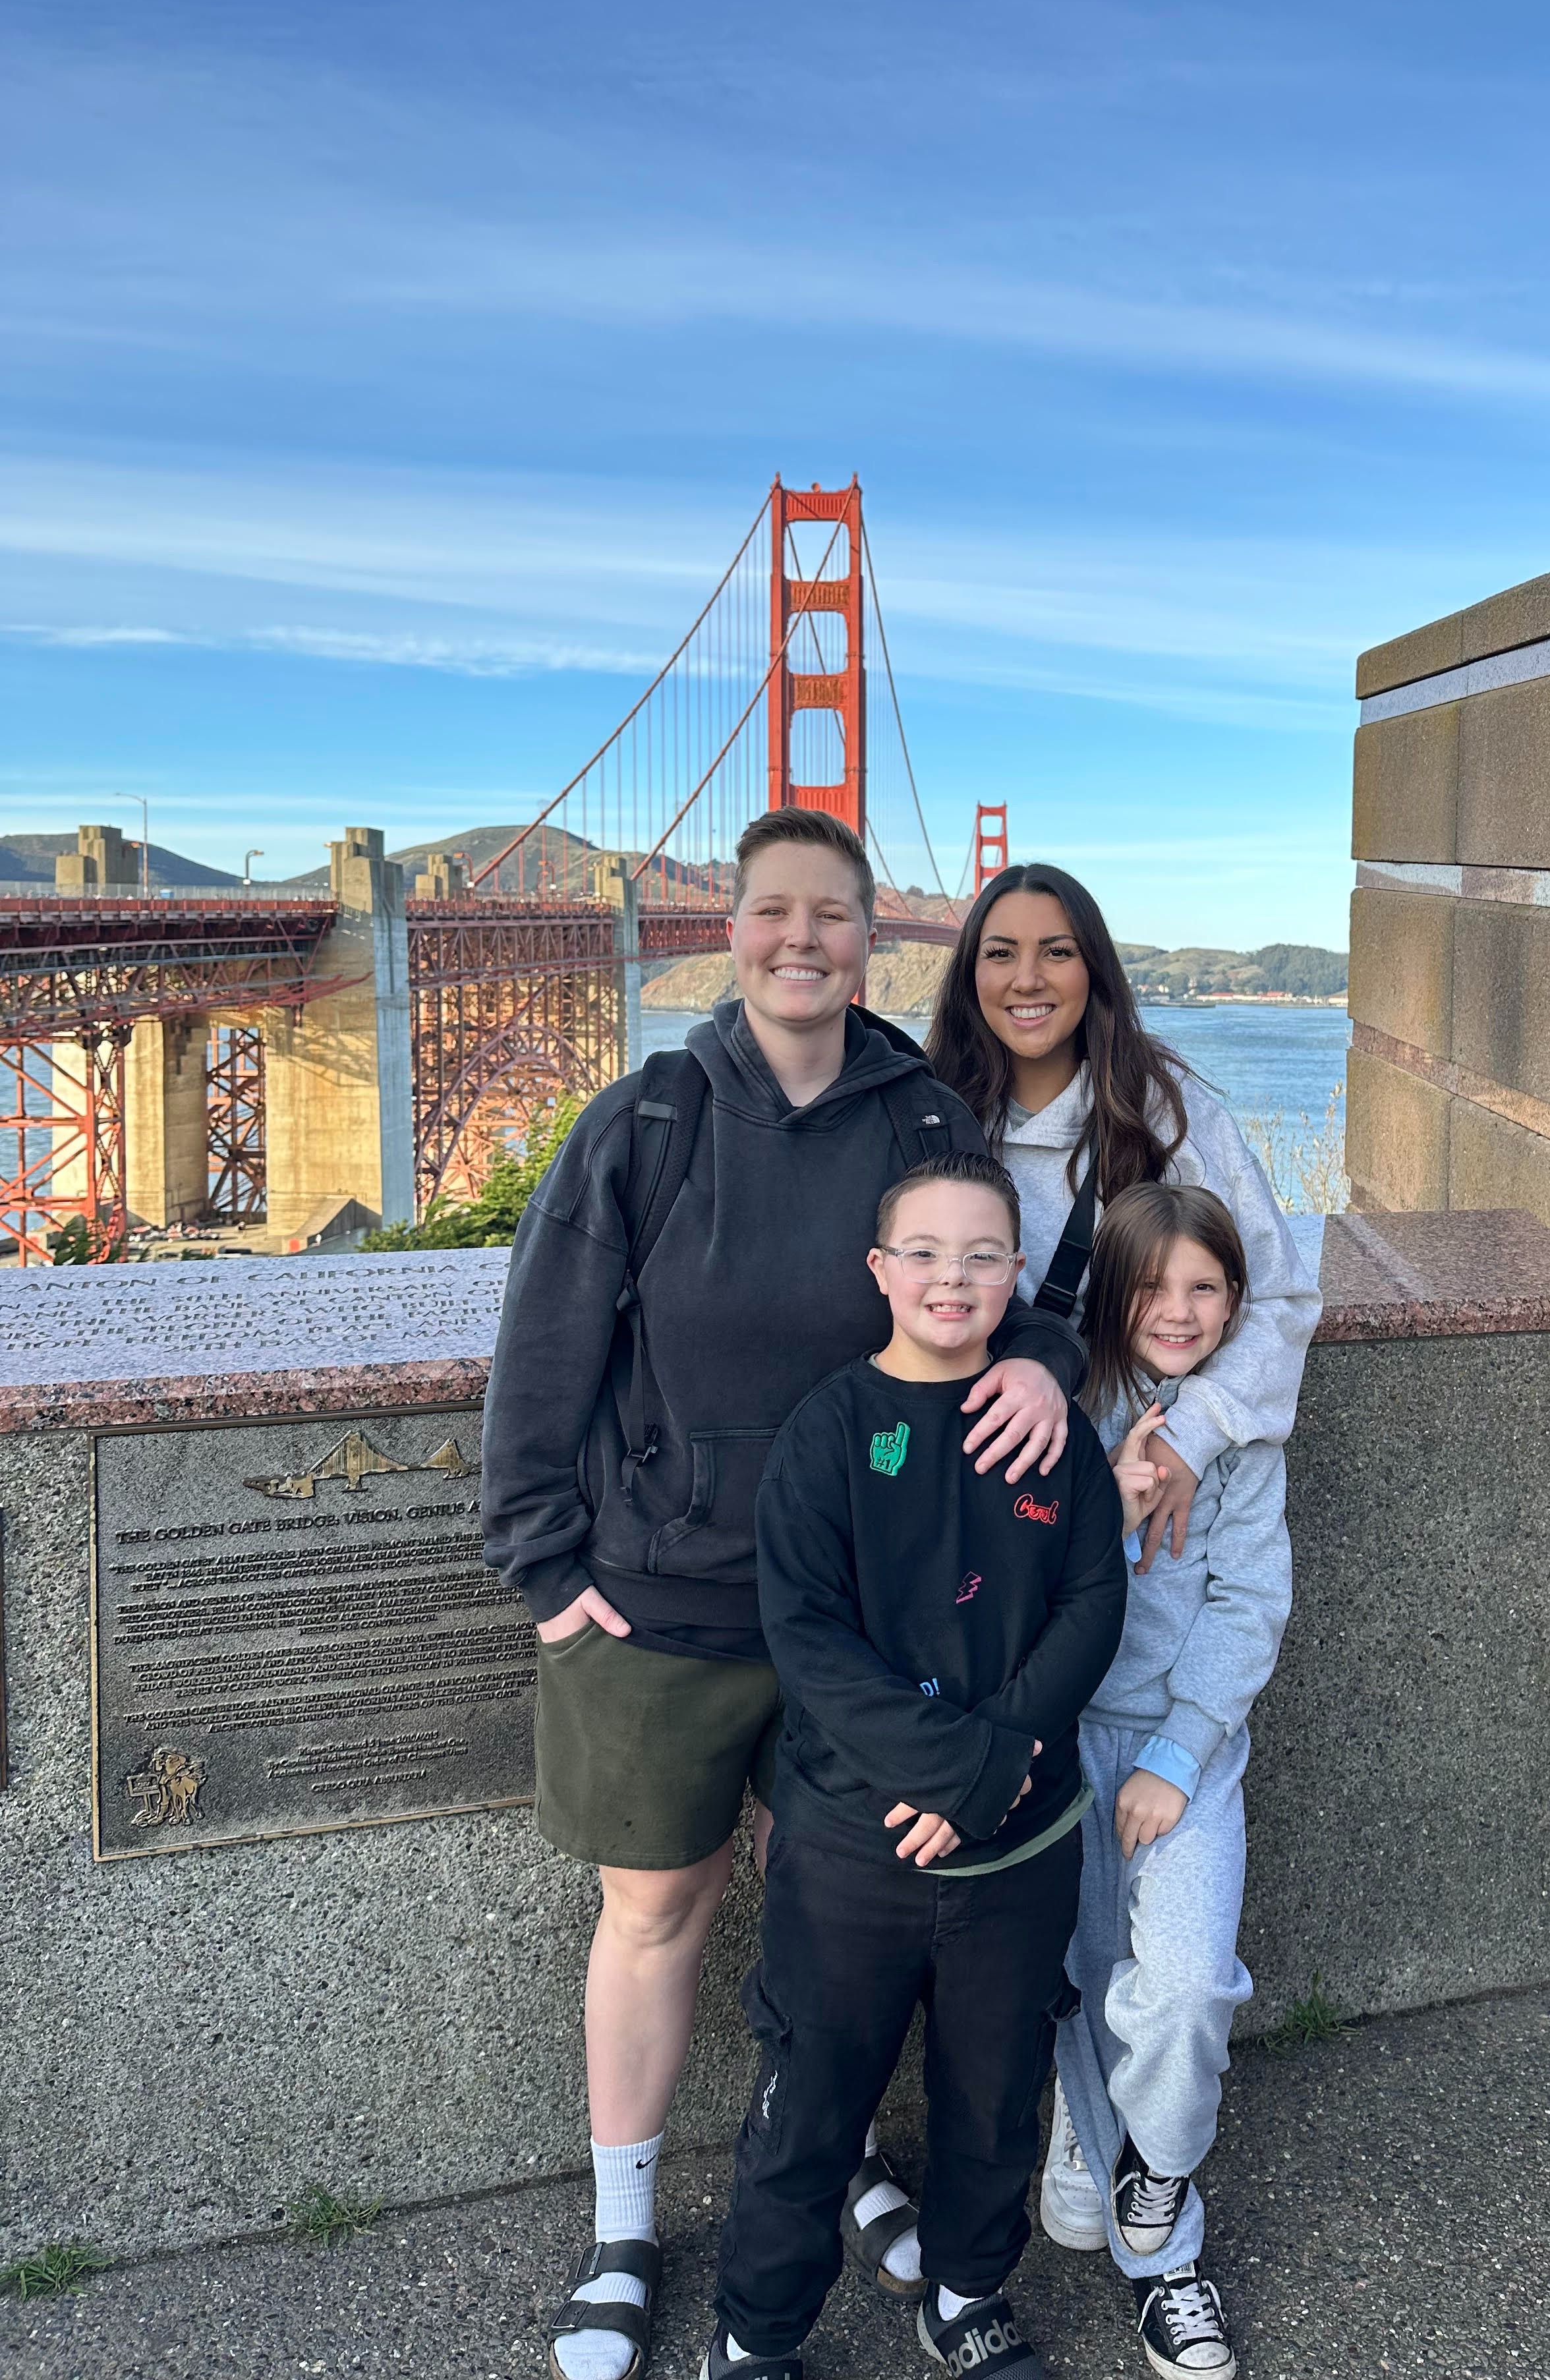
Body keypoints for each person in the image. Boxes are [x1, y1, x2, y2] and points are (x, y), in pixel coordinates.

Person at [479, 809, 1087, 2380]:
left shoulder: (925, 1116)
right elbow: (545, 1344)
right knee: (657, 1909)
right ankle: (624, 2232)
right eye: (771, 910)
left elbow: (993, 1278)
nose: (800, 939)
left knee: (843, 1913)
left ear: (873, 937)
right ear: (729, 927)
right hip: (667, 1601)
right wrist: (546, 1569)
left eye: (831, 913)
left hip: (877, 1615)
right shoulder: (648, 1119)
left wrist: (1043, 1357)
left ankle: (834, 2157)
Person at [706, 1151, 1127, 2380]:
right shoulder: (830, 1432)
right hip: (855, 1844)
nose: (954, 1277)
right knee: (810, 2099)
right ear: (880, 1271)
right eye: (926, 1253)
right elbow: (808, 1640)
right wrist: (958, 1774)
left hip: (1020, 1846)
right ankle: (756, 2333)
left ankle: (967, 2293)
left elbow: (1092, 1605)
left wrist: (989, 1774)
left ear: (1016, 1275)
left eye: (983, 1255)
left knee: (994, 2095)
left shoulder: (1050, 1432)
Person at [1035, 1183, 1292, 2380]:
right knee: (1082, 1981)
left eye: (1206, 1287)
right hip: (1061, 1739)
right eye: (1152, 1285)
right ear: (1109, 1297)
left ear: (1236, 1301)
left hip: (1184, 1753)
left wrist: (1180, 1756)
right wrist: (1107, 1500)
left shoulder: (1240, 1435)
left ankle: (1156, 2166)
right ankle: (1143, 2231)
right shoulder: (1058, 1413)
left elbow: (1250, 1604)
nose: (1179, 1310)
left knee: (1185, 1986)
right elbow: (1008, 1584)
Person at [925, 859, 1319, 1577]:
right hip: (971, 1501)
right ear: (969, 975)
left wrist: (1187, 1439)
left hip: (1138, 1504)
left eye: (1058, 951)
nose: (1027, 979)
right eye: (1001, 953)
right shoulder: (928, 1120)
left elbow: (1281, 1298)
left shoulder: (1170, 1116)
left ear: (1095, 970)